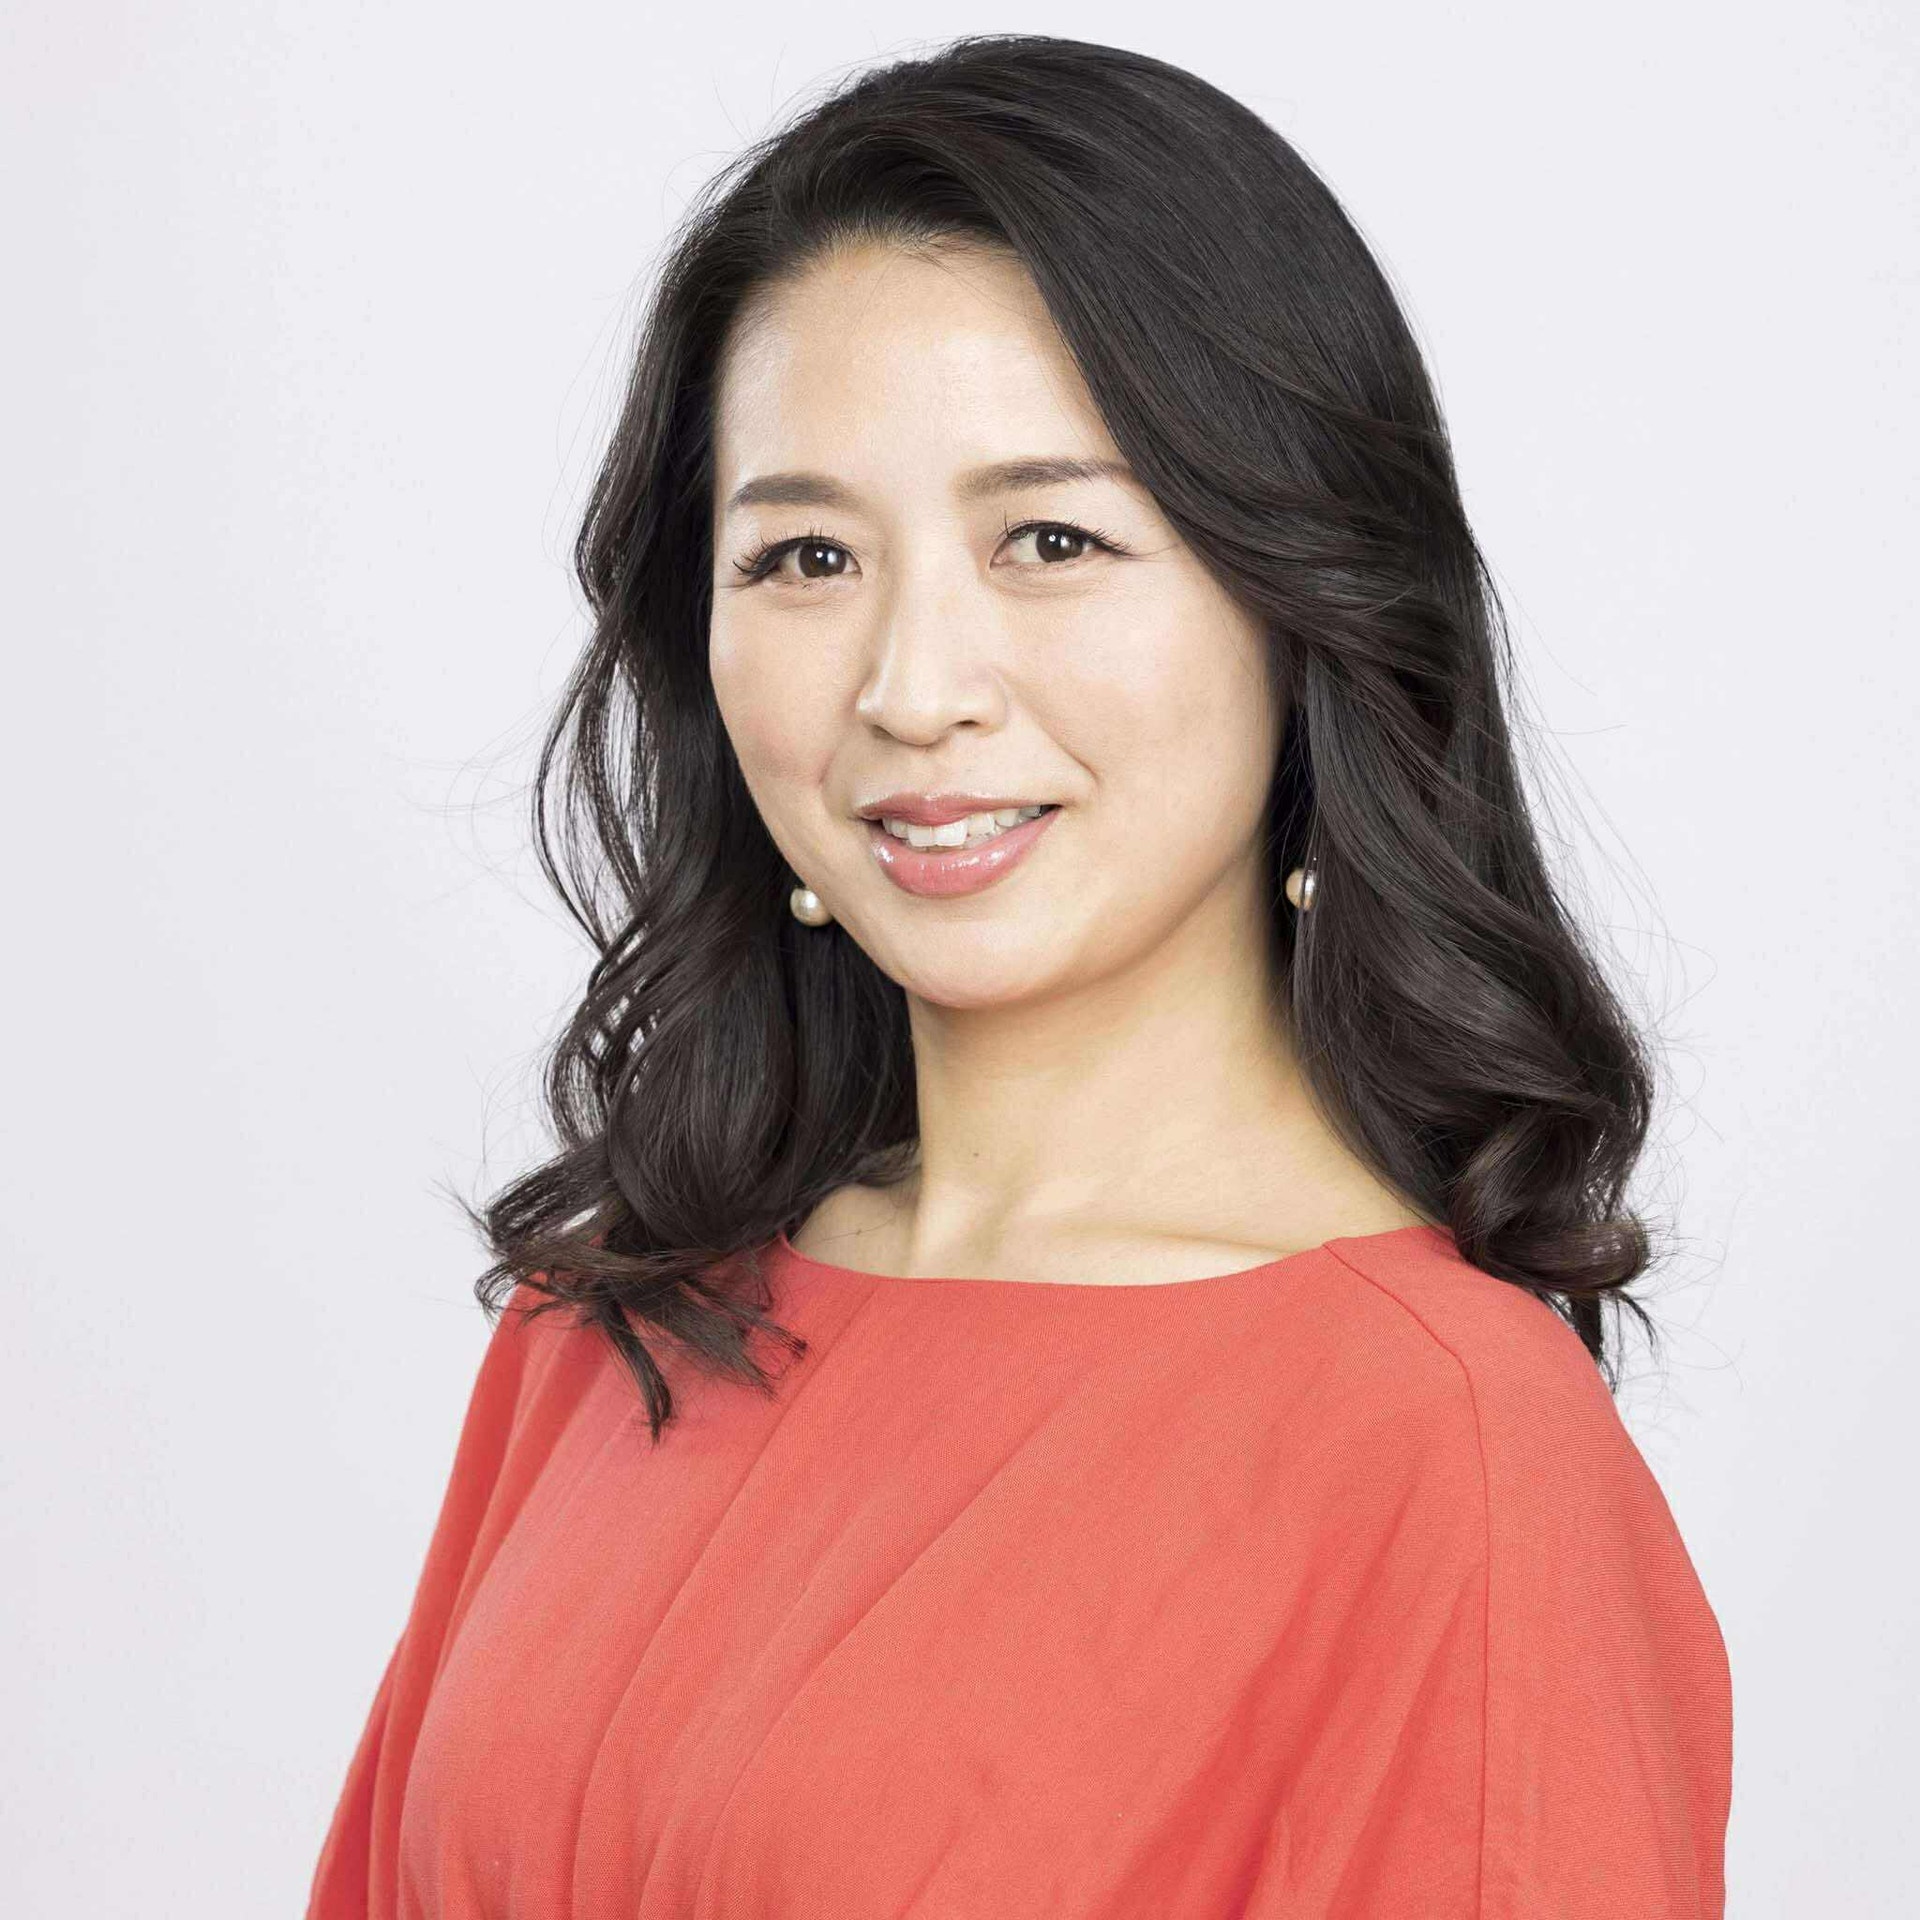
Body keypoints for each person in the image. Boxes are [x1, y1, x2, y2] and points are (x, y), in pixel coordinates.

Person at [307, 33, 1732, 1919]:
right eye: (804, 556)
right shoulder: (614, 1320)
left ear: (1301, 599)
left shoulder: (1445, 1452)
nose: (912, 688)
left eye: (1051, 538)